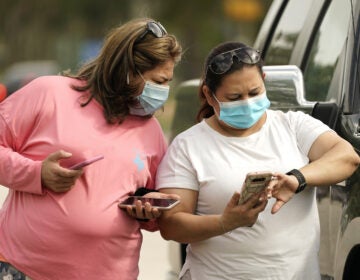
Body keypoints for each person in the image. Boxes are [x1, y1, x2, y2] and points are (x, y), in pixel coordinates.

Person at [155, 41, 360, 280]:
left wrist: (297, 179)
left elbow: (347, 157)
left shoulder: (293, 125)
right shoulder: (188, 146)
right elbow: (171, 225)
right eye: (234, 97)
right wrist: (225, 222)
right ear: (209, 96)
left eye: (254, 92)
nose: (247, 102)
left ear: (264, 80)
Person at [0, 18, 182, 279]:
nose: (164, 91)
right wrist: (37, 174)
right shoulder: (49, 93)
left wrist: (149, 212)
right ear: (127, 71)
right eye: (158, 81)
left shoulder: (152, 131)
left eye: (168, 82)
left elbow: (156, 209)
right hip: (23, 270)